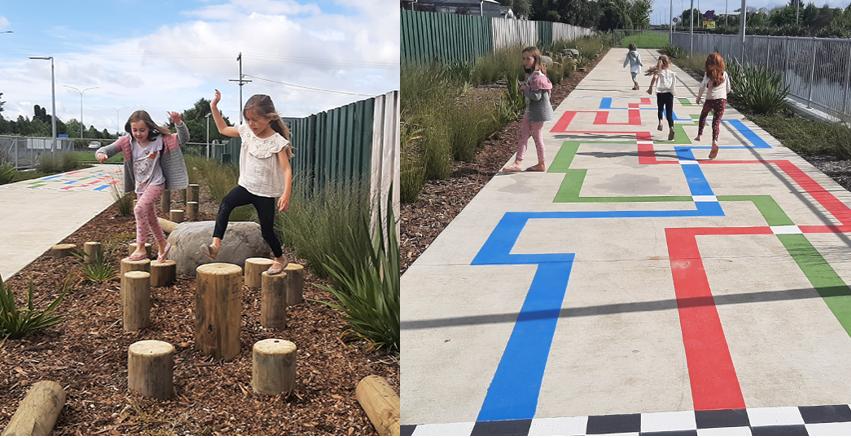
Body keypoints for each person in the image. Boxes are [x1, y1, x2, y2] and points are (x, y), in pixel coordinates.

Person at [201, 90, 293, 275]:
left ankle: (280, 259)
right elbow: (223, 129)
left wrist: (286, 194)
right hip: (246, 186)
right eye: (248, 119)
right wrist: (214, 107)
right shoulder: (246, 131)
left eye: (255, 120)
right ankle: (215, 245)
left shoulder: (277, 141)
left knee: (267, 232)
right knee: (226, 203)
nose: (251, 124)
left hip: (265, 193)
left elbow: (286, 169)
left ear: (269, 118)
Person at [96, 111, 189, 263]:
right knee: (151, 217)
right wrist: (101, 154)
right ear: (130, 129)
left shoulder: (161, 140)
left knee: (139, 210)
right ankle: (163, 244)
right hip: (140, 187)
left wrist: (179, 123)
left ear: (149, 128)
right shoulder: (127, 142)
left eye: (142, 130)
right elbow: (107, 149)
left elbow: (183, 139)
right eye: (135, 130)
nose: (138, 133)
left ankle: (141, 248)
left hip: (157, 182)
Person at [503, 46, 554, 173]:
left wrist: (525, 90)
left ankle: (540, 163)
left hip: (537, 113)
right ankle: (518, 162)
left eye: (528, 58)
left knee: (536, 136)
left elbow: (536, 96)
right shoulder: (531, 75)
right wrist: (525, 87)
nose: (525, 61)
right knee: (523, 134)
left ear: (536, 59)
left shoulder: (538, 77)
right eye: (523, 58)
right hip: (531, 111)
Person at [695, 53, 731, 159]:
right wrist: (723, 93)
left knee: (704, 114)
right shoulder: (724, 74)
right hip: (721, 101)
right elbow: (728, 89)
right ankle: (714, 141)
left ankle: (699, 135)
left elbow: (702, 87)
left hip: (710, 99)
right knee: (716, 123)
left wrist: (699, 97)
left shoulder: (708, 75)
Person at [646, 55, 677, 142]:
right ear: (669, 63)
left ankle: (660, 122)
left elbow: (655, 78)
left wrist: (650, 87)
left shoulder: (659, 72)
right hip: (670, 94)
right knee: (669, 113)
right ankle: (671, 128)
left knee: (660, 109)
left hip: (661, 93)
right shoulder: (672, 73)